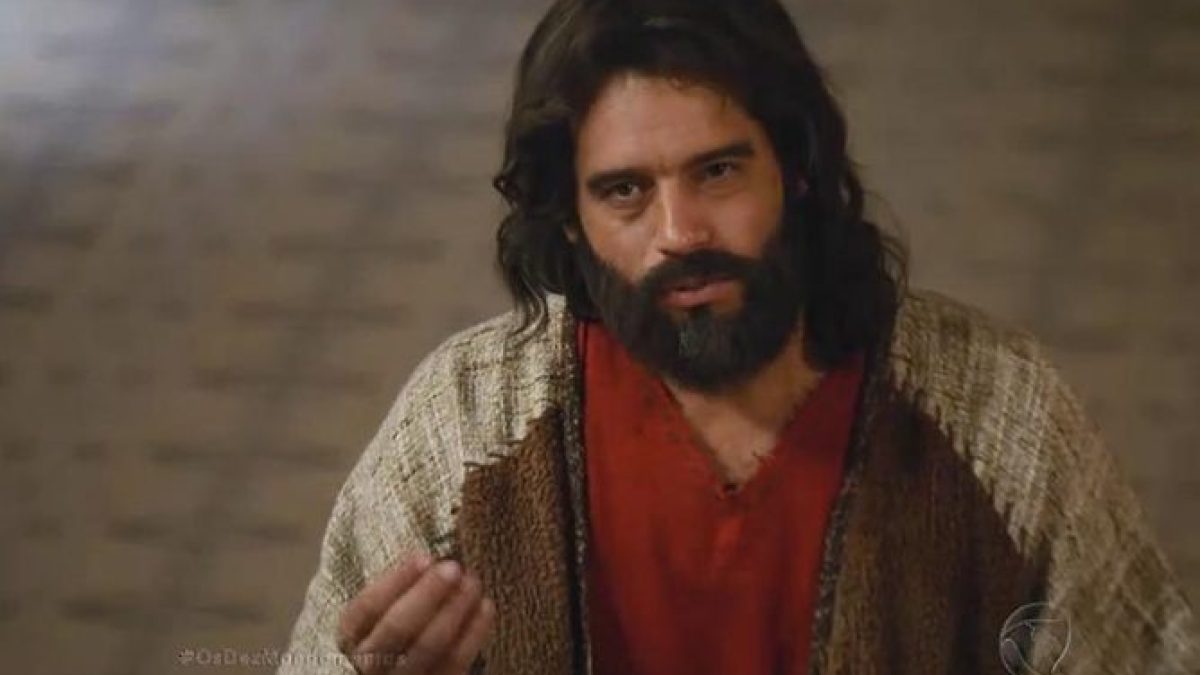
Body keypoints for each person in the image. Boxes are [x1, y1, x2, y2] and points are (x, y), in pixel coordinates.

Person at [281, 1, 1198, 673]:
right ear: (569, 219)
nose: (681, 232)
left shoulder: (998, 416)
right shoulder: (466, 426)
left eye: (717, 171)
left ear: (795, 167)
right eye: (625, 191)